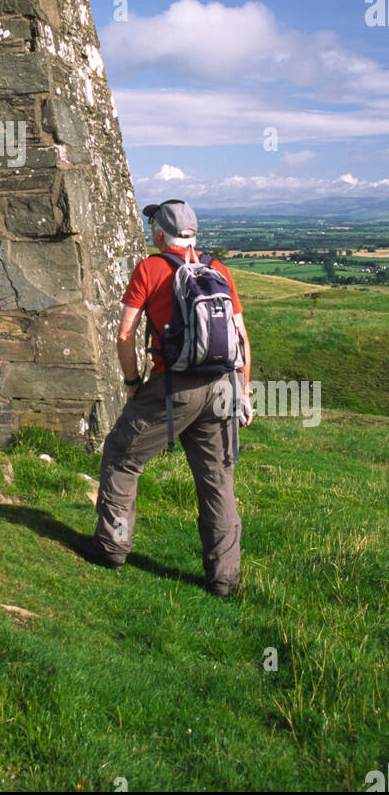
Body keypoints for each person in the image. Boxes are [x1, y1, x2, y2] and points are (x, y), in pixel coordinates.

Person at [74, 199, 253, 596]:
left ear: (159, 234)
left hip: (174, 388)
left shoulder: (150, 268)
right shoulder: (218, 269)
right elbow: (241, 338)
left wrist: (132, 381)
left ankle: (111, 547)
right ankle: (224, 579)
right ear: (193, 233)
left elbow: (124, 334)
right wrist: (244, 392)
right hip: (223, 387)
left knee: (123, 456)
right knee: (217, 480)